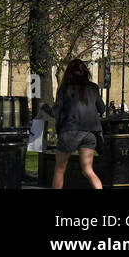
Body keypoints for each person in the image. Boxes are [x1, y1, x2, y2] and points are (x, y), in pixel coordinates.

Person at [38, 59, 104, 190]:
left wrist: (43, 106)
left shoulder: (65, 88)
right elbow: (102, 109)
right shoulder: (93, 88)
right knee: (88, 170)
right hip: (90, 132)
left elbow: (54, 112)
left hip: (70, 131)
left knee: (60, 170)